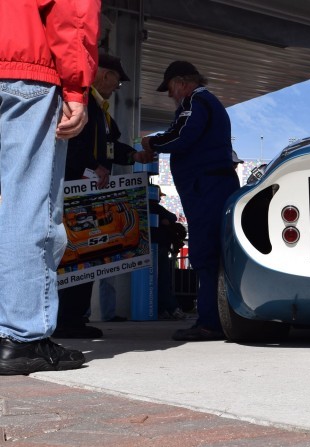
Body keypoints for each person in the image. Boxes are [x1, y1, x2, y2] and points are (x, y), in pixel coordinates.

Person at [0, 0, 100, 375]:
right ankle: (22, 338)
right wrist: (76, 89)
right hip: (22, 68)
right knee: (29, 204)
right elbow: (74, 12)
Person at [54, 54, 153, 338]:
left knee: (87, 255)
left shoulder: (99, 109)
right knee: (75, 255)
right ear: (104, 75)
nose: (117, 86)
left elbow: (109, 146)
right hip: (75, 189)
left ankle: (74, 316)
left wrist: (132, 155)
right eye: (117, 80)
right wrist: (90, 166)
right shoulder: (82, 103)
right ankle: (66, 319)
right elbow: (70, 144)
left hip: (89, 192)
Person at [141, 61, 239, 341]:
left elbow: (183, 136)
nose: (170, 95)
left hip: (206, 186)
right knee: (212, 252)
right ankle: (217, 316)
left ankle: (210, 321)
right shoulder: (207, 103)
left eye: (171, 88)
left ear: (182, 83)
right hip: (210, 185)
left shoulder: (196, 101)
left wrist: (153, 143)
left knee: (205, 253)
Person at [152, 186, 186, 320]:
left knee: (159, 280)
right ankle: (171, 308)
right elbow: (171, 217)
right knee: (164, 280)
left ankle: (161, 309)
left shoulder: (149, 208)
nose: (160, 198)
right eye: (159, 195)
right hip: (160, 247)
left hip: (155, 248)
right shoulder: (156, 208)